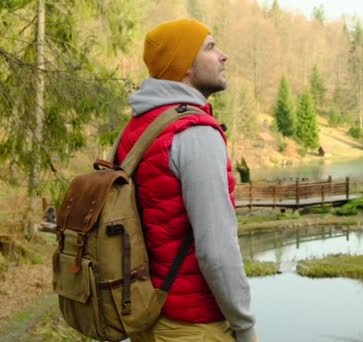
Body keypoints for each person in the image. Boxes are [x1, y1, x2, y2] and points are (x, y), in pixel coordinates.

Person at [115, 18, 257, 342]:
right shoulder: (194, 133)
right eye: (210, 47)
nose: (223, 56)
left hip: (149, 318)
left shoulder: (138, 128)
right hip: (194, 328)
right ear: (184, 68)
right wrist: (245, 327)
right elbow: (217, 251)